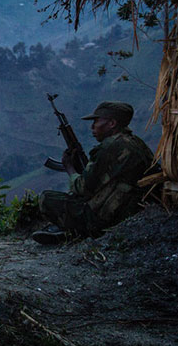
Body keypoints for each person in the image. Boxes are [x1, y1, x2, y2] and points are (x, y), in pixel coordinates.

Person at [33, 101, 154, 244]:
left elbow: (82, 188)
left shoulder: (109, 147)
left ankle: (77, 230)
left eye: (97, 121)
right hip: (128, 211)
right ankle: (69, 230)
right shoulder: (136, 143)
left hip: (106, 218)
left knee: (47, 198)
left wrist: (69, 167)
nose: (92, 127)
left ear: (112, 123)